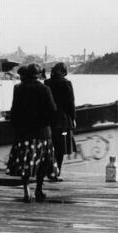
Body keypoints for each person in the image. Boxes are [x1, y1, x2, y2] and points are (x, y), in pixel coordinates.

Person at [5, 63, 58, 202]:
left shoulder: (18, 88)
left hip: (24, 133)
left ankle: (26, 190)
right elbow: (53, 110)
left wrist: (16, 127)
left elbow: (14, 111)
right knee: (42, 163)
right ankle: (39, 190)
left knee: (25, 163)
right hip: (42, 132)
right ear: (39, 74)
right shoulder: (45, 89)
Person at [44, 62, 77, 180]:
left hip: (50, 120)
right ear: (64, 71)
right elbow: (71, 104)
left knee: (50, 147)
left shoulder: (47, 83)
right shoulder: (67, 83)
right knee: (61, 148)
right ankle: (56, 173)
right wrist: (73, 119)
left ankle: (48, 172)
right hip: (63, 121)